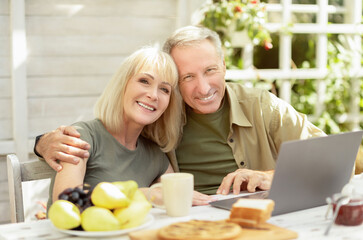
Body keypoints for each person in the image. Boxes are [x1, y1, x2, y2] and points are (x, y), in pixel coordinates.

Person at [35, 26, 325, 201]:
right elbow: (68, 199)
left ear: (224, 66)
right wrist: (42, 141)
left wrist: (271, 176)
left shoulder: (262, 106)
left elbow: (330, 158)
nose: (203, 87)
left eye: (210, 70)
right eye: (187, 78)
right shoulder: (150, 123)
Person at [46, 46, 187, 206]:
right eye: (144, 81)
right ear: (123, 84)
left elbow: (176, 202)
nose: (153, 95)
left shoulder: (155, 156)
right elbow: (67, 202)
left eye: (164, 89)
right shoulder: (82, 137)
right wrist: (141, 194)